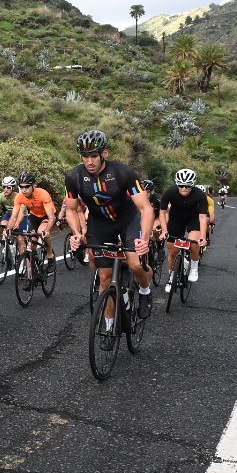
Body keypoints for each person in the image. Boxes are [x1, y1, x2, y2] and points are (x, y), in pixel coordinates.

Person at [61, 129, 156, 328]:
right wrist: (77, 234)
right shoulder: (73, 177)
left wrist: (145, 239)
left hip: (127, 219)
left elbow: (145, 208)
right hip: (99, 222)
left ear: (105, 153)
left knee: (136, 263)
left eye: (94, 155)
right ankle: (109, 325)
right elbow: (71, 209)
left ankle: (146, 292)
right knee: (104, 277)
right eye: (85, 157)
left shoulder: (123, 172)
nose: (89, 161)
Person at [155, 168, 210, 290]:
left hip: (193, 218)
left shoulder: (200, 195)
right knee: (173, 251)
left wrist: (202, 236)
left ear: (193, 185)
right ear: (177, 184)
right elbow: (163, 213)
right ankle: (171, 276)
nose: (184, 188)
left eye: (187, 186)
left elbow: (202, 217)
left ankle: (194, 267)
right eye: (181, 186)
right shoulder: (169, 192)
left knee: (194, 244)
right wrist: (164, 231)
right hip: (176, 219)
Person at [5, 172, 59, 262]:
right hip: (34, 217)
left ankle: (50, 254)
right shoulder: (20, 197)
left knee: (41, 232)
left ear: (34, 185)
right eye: (21, 187)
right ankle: (34, 264)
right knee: (32, 241)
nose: (24, 190)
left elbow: (52, 217)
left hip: (46, 216)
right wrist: (8, 229)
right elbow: (13, 217)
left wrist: (47, 231)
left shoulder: (43, 194)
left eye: (26, 187)